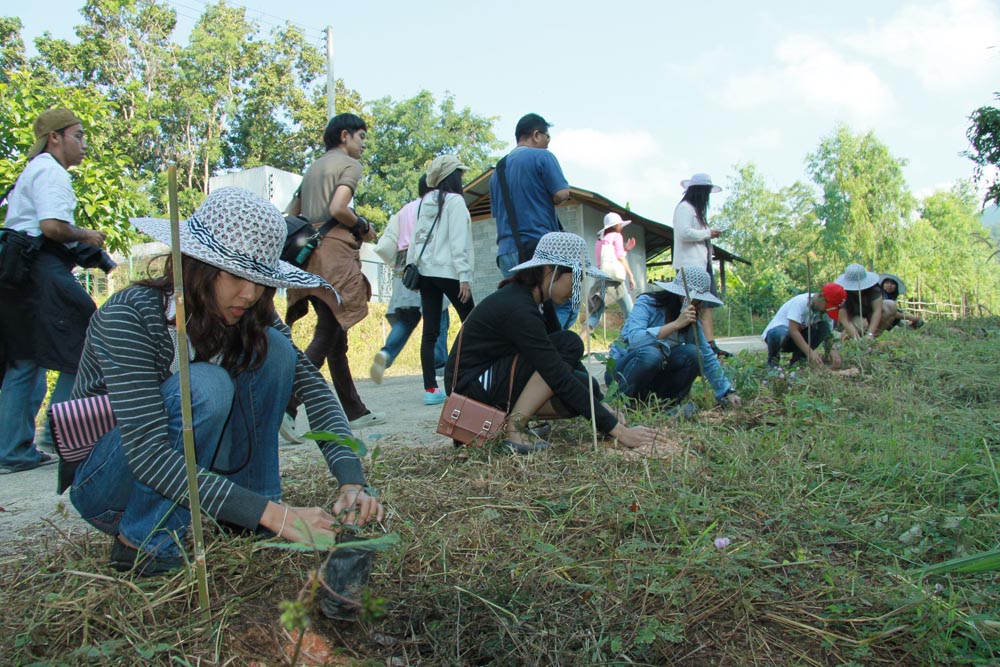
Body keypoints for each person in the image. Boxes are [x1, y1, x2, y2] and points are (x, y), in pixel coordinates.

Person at [68, 187, 384, 576]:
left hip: (186, 477)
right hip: (112, 483)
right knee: (205, 386)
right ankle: (146, 541)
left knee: (277, 352)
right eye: (235, 274)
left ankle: (243, 519)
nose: (250, 294)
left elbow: (313, 389)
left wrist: (351, 481)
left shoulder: (250, 316)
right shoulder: (129, 317)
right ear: (196, 266)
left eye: (260, 279)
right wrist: (276, 515)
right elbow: (148, 453)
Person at [444, 232, 665, 454]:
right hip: (471, 387)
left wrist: (599, 403)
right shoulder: (518, 307)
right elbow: (555, 372)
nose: (577, 289)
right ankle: (514, 428)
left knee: (586, 385)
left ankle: (511, 421)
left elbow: (565, 362)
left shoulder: (539, 302)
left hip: (492, 379)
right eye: (576, 278)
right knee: (570, 346)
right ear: (551, 270)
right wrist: (618, 430)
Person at [0, 108, 114, 474]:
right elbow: (51, 227)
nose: (83, 144)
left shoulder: (31, 171)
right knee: (86, 332)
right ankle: (60, 431)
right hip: (39, 268)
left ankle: (15, 450)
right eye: (78, 136)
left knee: (26, 358)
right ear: (55, 137)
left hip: (18, 273)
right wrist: (88, 236)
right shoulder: (50, 170)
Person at [284, 113, 385, 433]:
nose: (363, 145)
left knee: (335, 334)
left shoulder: (313, 167)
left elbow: (292, 213)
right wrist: (363, 226)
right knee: (327, 333)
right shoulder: (349, 166)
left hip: (307, 256)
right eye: (361, 137)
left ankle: (354, 411)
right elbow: (339, 209)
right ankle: (286, 407)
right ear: (345, 136)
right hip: (334, 256)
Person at [607, 268, 742, 415]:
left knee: (693, 353)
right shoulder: (648, 303)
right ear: (681, 295)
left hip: (655, 377)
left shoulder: (690, 319)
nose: (699, 304)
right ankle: (622, 404)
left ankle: (665, 404)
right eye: (697, 299)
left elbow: (706, 355)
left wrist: (726, 392)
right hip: (623, 371)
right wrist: (676, 324)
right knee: (651, 354)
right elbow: (635, 339)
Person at [489, 113, 576, 329]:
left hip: (506, 253)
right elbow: (562, 193)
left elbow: (496, 213)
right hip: (539, 251)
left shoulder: (496, 172)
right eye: (547, 138)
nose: (547, 144)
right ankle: (551, 351)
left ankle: (527, 357)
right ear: (536, 135)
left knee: (524, 311)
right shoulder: (542, 157)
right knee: (566, 304)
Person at [407, 155, 475, 405]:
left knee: (431, 330)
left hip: (425, 272)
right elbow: (458, 241)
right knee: (473, 321)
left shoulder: (425, 201)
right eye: (460, 173)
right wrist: (464, 276)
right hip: (449, 272)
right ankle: (467, 377)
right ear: (453, 176)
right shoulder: (455, 201)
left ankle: (431, 390)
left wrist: (413, 265)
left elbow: (417, 236)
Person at [370, 175, 450, 384]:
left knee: (406, 318)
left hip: (404, 265)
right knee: (439, 315)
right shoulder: (436, 205)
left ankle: (386, 353)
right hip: (427, 262)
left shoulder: (404, 210)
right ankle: (440, 366)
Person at [672, 173, 730, 358]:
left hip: (702, 264)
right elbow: (684, 233)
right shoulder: (684, 208)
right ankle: (688, 344)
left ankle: (710, 345)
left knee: (706, 306)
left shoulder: (697, 212)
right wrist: (707, 233)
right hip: (688, 266)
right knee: (690, 307)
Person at [762, 283, 847, 368]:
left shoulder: (824, 313)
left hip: (798, 340)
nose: (826, 310)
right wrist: (810, 352)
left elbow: (828, 335)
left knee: (824, 326)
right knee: (779, 333)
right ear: (821, 297)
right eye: (827, 307)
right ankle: (773, 361)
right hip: (780, 337)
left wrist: (833, 351)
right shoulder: (801, 302)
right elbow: (793, 330)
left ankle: (799, 361)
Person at [582, 212, 636, 336]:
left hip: (600, 279)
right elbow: (620, 258)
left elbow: (605, 262)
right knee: (630, 314)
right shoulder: (617, 236)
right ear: (616, 226)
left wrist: (626, 249)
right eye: (620, 225)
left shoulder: (600, 240)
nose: (621, 227)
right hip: (614, 281)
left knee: (595, 314)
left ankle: (579, 340)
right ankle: (627, 341)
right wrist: (631, 276)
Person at [835, 263, 895, 339]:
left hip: (868, 314)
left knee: (891, 306)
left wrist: (870, 334)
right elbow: (844, 318)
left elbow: (877, 311)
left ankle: (870, 339)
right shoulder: (843, 293)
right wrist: (853, 333)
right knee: (861, 324)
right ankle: (845, 338)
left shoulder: (874, 290)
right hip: (851, 318)